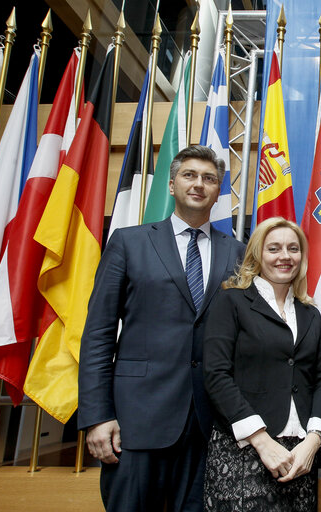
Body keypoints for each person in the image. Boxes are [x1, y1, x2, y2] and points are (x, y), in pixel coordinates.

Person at [78, 145, 247, 512]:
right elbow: (98, 334)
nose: (199, 184)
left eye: (209, 179)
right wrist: (97, 416)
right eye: (189, 175)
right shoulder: (129, 242)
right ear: (171, 185)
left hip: (210, 425)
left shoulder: (237, 252)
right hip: (136, 422)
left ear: (218, 192)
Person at [202, 217, 321, 511]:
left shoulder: (310, 313)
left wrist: (313, 443)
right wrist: (262, 441)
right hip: (244, 450)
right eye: (274, 248)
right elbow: (216, 375)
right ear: (257, 254)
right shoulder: (232, 302)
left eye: (293, 248)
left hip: (300, 455)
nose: (285, 256)